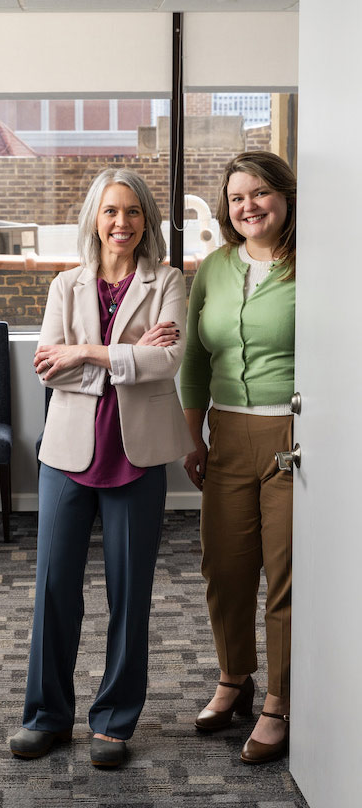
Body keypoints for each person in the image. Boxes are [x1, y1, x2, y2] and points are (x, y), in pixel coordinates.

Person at [9, 168, 193, 768]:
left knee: (130, 591)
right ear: (94, 217)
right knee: (54, 588)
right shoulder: (65, 285)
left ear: (148, 222)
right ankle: (47, 716)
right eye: (111, 211)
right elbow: (47, 367)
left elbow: (166, 361)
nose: (122, 223)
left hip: (134, 452)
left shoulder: (168, 281)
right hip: (66, 452)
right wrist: (127, 358)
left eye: (134, 212)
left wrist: (87, 352)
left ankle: (114, 721)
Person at [180, 151, 296, 765]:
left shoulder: (317, 266)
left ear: (285, 195)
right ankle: (235, 677)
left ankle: (280, 697)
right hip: (224, 433)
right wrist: (192, 434)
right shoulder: (215, 268)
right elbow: (196, 361)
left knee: (284, 574)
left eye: (259, 193)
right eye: (235, 198)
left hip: (293, 439)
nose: (248, 206)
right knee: (224, 568)